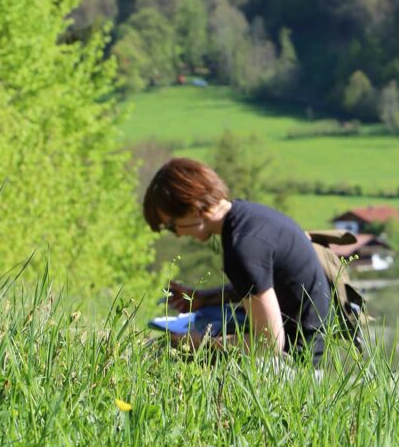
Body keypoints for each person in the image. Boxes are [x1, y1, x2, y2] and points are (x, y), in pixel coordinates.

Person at [142, 157, 332, 366]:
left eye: (171, 225)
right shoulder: (250, 216)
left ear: (193, 209)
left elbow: (269, 344)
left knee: (162, 355)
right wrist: (203, 300)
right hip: (307, 349)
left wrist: (199, 343)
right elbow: (263, 287)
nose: (176, 235)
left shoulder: (242, 247)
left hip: (295, 366)